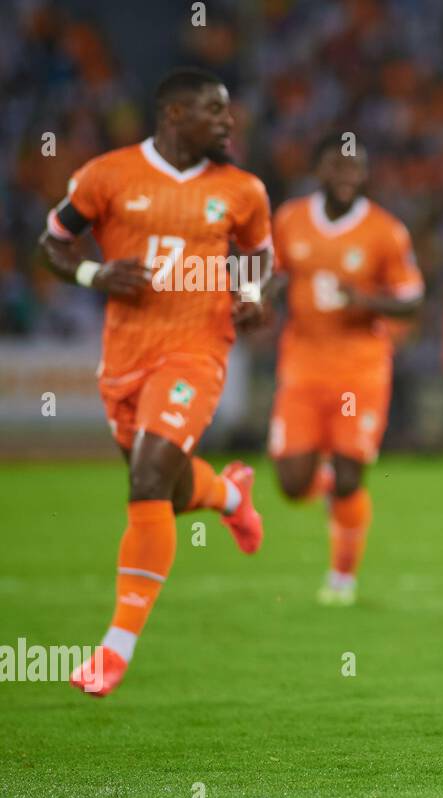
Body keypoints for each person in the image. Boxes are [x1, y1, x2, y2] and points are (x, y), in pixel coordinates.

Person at [38, 68, 273, 696]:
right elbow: (54, 243)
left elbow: (257, 254)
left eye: (228, 112)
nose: (227, 123)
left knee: (146, 478)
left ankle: (115, 648)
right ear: (174, 115)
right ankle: (228, 496)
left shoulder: (244, 190)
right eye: (214, 112)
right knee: (163, 491)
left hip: (197, 351)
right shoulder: (106, 176)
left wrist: (250, 295)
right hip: (125, 358)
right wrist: (94, 275)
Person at [266, 137, 424, 605]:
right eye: (337, 165)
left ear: (365, 173)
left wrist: (366, 300)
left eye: (355, 167)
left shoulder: (385, 231)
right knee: (293, 485)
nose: (345, 175)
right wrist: (258, 294)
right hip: (302, 364)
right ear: (319, 168)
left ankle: (341, 577)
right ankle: (330, 480)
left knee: (352, 478)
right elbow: (273, 272)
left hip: (361, 367)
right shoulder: (290, 219)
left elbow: (413, 299)